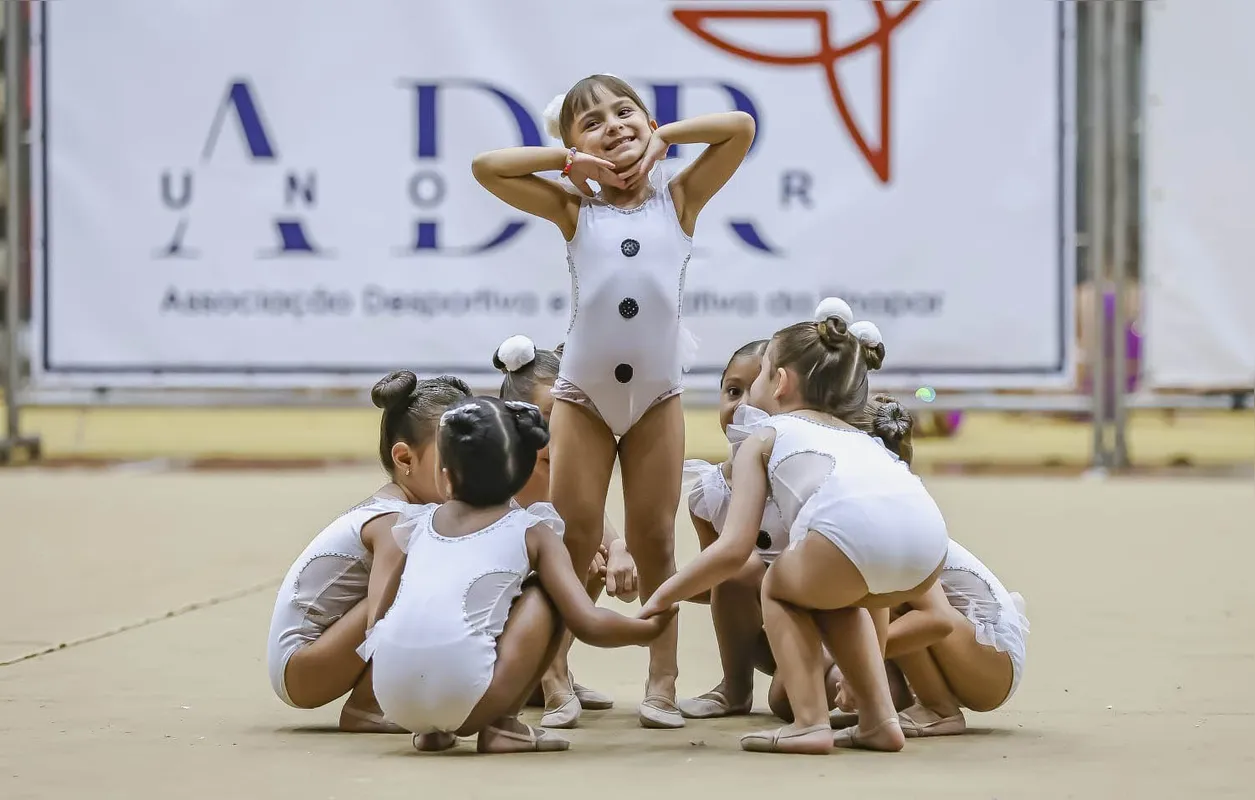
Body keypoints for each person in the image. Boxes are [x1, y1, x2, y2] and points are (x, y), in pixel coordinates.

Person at [472, 73, 755, 727]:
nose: (614, 127)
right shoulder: (573, 208)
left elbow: (738, 128)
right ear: (573, 144)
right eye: (591, 122)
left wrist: (665, 139)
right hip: (583, 398)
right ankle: (552, 673)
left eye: (624, 113)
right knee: (572, 540)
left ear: (647, 122)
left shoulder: (679, 199)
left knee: (656, 541)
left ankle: (662, 680)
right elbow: (488, 167)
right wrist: (569, 163)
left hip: (656, 398)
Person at [639, 306, 949, 754]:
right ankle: (878, 721)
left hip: (857, 539)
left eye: (761, 375)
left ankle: (809, 723)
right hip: (927, 547)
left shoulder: (765, 435)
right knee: (836, 600)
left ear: (780, 383)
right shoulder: (856, 432)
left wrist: (662, 595)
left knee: (780, 584)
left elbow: (733, 550)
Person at [360, 397, 676, 753]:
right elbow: (585, 621)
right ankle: (503, 726)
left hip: (393, 697)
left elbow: (383, 612)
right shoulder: (533, 530)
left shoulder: (418, 524)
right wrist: (645, 630)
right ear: (526, 472)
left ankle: (433, 732)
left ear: (446, 478)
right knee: (547, 591)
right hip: (468, 701)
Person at [265, 371, 471, 732]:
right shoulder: (396, 522)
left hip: (316, 655)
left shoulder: (408, 509)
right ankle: (368, 704)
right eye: (453, 459)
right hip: (302, 666)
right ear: (405, 459)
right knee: (426, 581)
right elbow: (382, 615)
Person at [832, 395, 1031, 738]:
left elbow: (935, 618)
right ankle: (907, 701)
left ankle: (939, 709)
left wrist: (854, 664)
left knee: (890, 591)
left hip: (992, 662)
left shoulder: (894, 516)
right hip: (975, 654)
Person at [494, 334, 639, 728]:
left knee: (591, 545)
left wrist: (622, 551)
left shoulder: (567, 473)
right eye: (545, 417)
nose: (557, 434)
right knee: (577, 552)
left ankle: (549, 669)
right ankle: (547, 674)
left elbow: (608, 535)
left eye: (570, 418)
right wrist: (560, 557)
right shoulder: (495, 479)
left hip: (528, 619)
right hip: (487, 626)